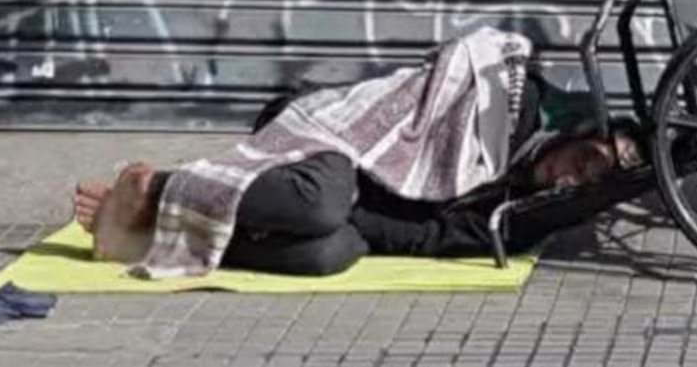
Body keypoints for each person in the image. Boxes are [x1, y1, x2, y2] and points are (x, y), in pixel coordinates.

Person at [73, 62, 644, 277]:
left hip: (349, 201)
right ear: (577, 132)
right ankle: (161, 186)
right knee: (320, 205)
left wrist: (361, 222)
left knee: (330, 252)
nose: (572, 180)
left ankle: (156, 229)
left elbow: (428, 238)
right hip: (331, 139)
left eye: (586, 189)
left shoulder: (514, 218)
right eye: (585, 162)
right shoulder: (509, 104)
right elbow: (422, 100)